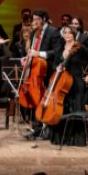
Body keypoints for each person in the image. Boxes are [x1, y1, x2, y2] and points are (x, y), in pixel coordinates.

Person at [48, 26, 88, 146]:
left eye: (70, 33)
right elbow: (54, 64)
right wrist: (57, 67)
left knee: (75, 108)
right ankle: (62, 138)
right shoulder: (60, 48)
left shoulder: (79, 47)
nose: (67, 35)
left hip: (76, 83)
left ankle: (76, 139)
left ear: (74, 35)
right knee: (63, 108)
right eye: (65, 33)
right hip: (62, 83)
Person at [23, 9, 63, 139]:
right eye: (33, 19)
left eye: (36, 19)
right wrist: (27, 58)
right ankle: (37, 128)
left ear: (44, 19)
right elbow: (32, 51)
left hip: (48, 70)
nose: (34, 22)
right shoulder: (34, 33)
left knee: (46, 101)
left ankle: (47, 129)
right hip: (36, 72)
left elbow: (57, 51)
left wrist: (38, 54)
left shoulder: (53, 31)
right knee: (36, 100)